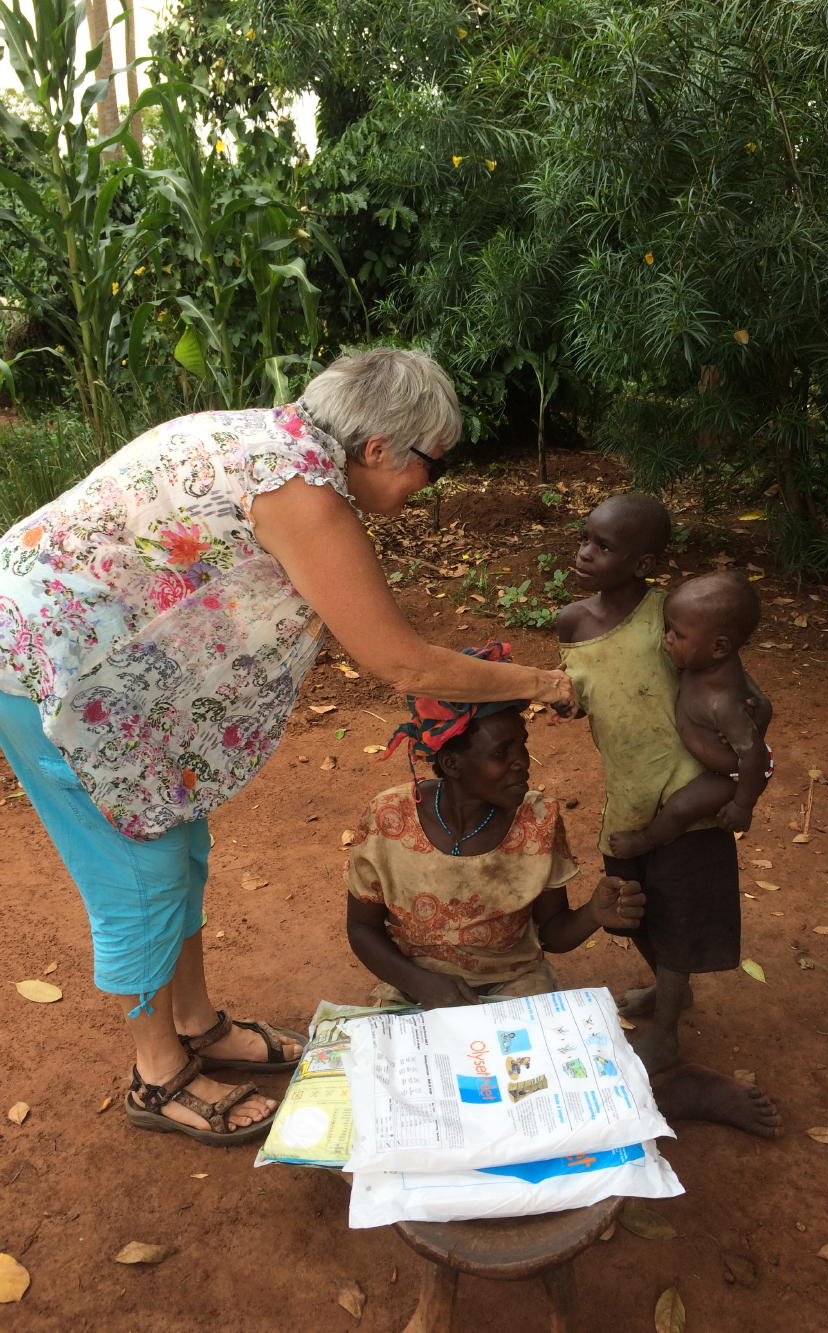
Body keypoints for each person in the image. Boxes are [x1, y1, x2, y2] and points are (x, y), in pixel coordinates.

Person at [0, 348, 574, 1145]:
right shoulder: (300, 491)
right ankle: (157, 1073)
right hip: (50, 673)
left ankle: (196, 1024)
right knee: (139, 871)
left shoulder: (275, 441)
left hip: (113, 671)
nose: (427, 486)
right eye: (432, 466)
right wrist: (544, 683)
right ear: (379, 447)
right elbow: (400, 661)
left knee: (181, 844)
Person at [555, 494, 781, 1139]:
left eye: (604, 546)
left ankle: (667, 1030)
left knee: (682, 910)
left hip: (688, 801)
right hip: (629, 793)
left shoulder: (674, 613)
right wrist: (570, 701)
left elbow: (744, 694)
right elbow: (585, 689)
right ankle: (666, 986)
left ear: (645, 563)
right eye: (585, 539)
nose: (585, 554)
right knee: (636, 901)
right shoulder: (571, 623)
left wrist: (737, 762)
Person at [345, 645, 644, 1009]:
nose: (522, 763)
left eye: (522, 746)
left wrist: (593, 914)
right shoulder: (389, 818)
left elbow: (552, 933)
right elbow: (362, 928)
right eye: (502, 753)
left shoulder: (537, 821)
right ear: (452, 764)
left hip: (513, 982)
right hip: (414, 982)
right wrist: (420, 983)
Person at [607, 570, 772, 859]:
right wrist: (760, 714)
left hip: (735, 775)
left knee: (680, 807)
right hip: (739, 758)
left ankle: (647, 840)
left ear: (718, 647)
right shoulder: (714, 662)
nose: (668, 638)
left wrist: (743, 804)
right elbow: (761, 700)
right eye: (668, 628)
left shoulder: (722, 702)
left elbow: (754, 757)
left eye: (678, 634)